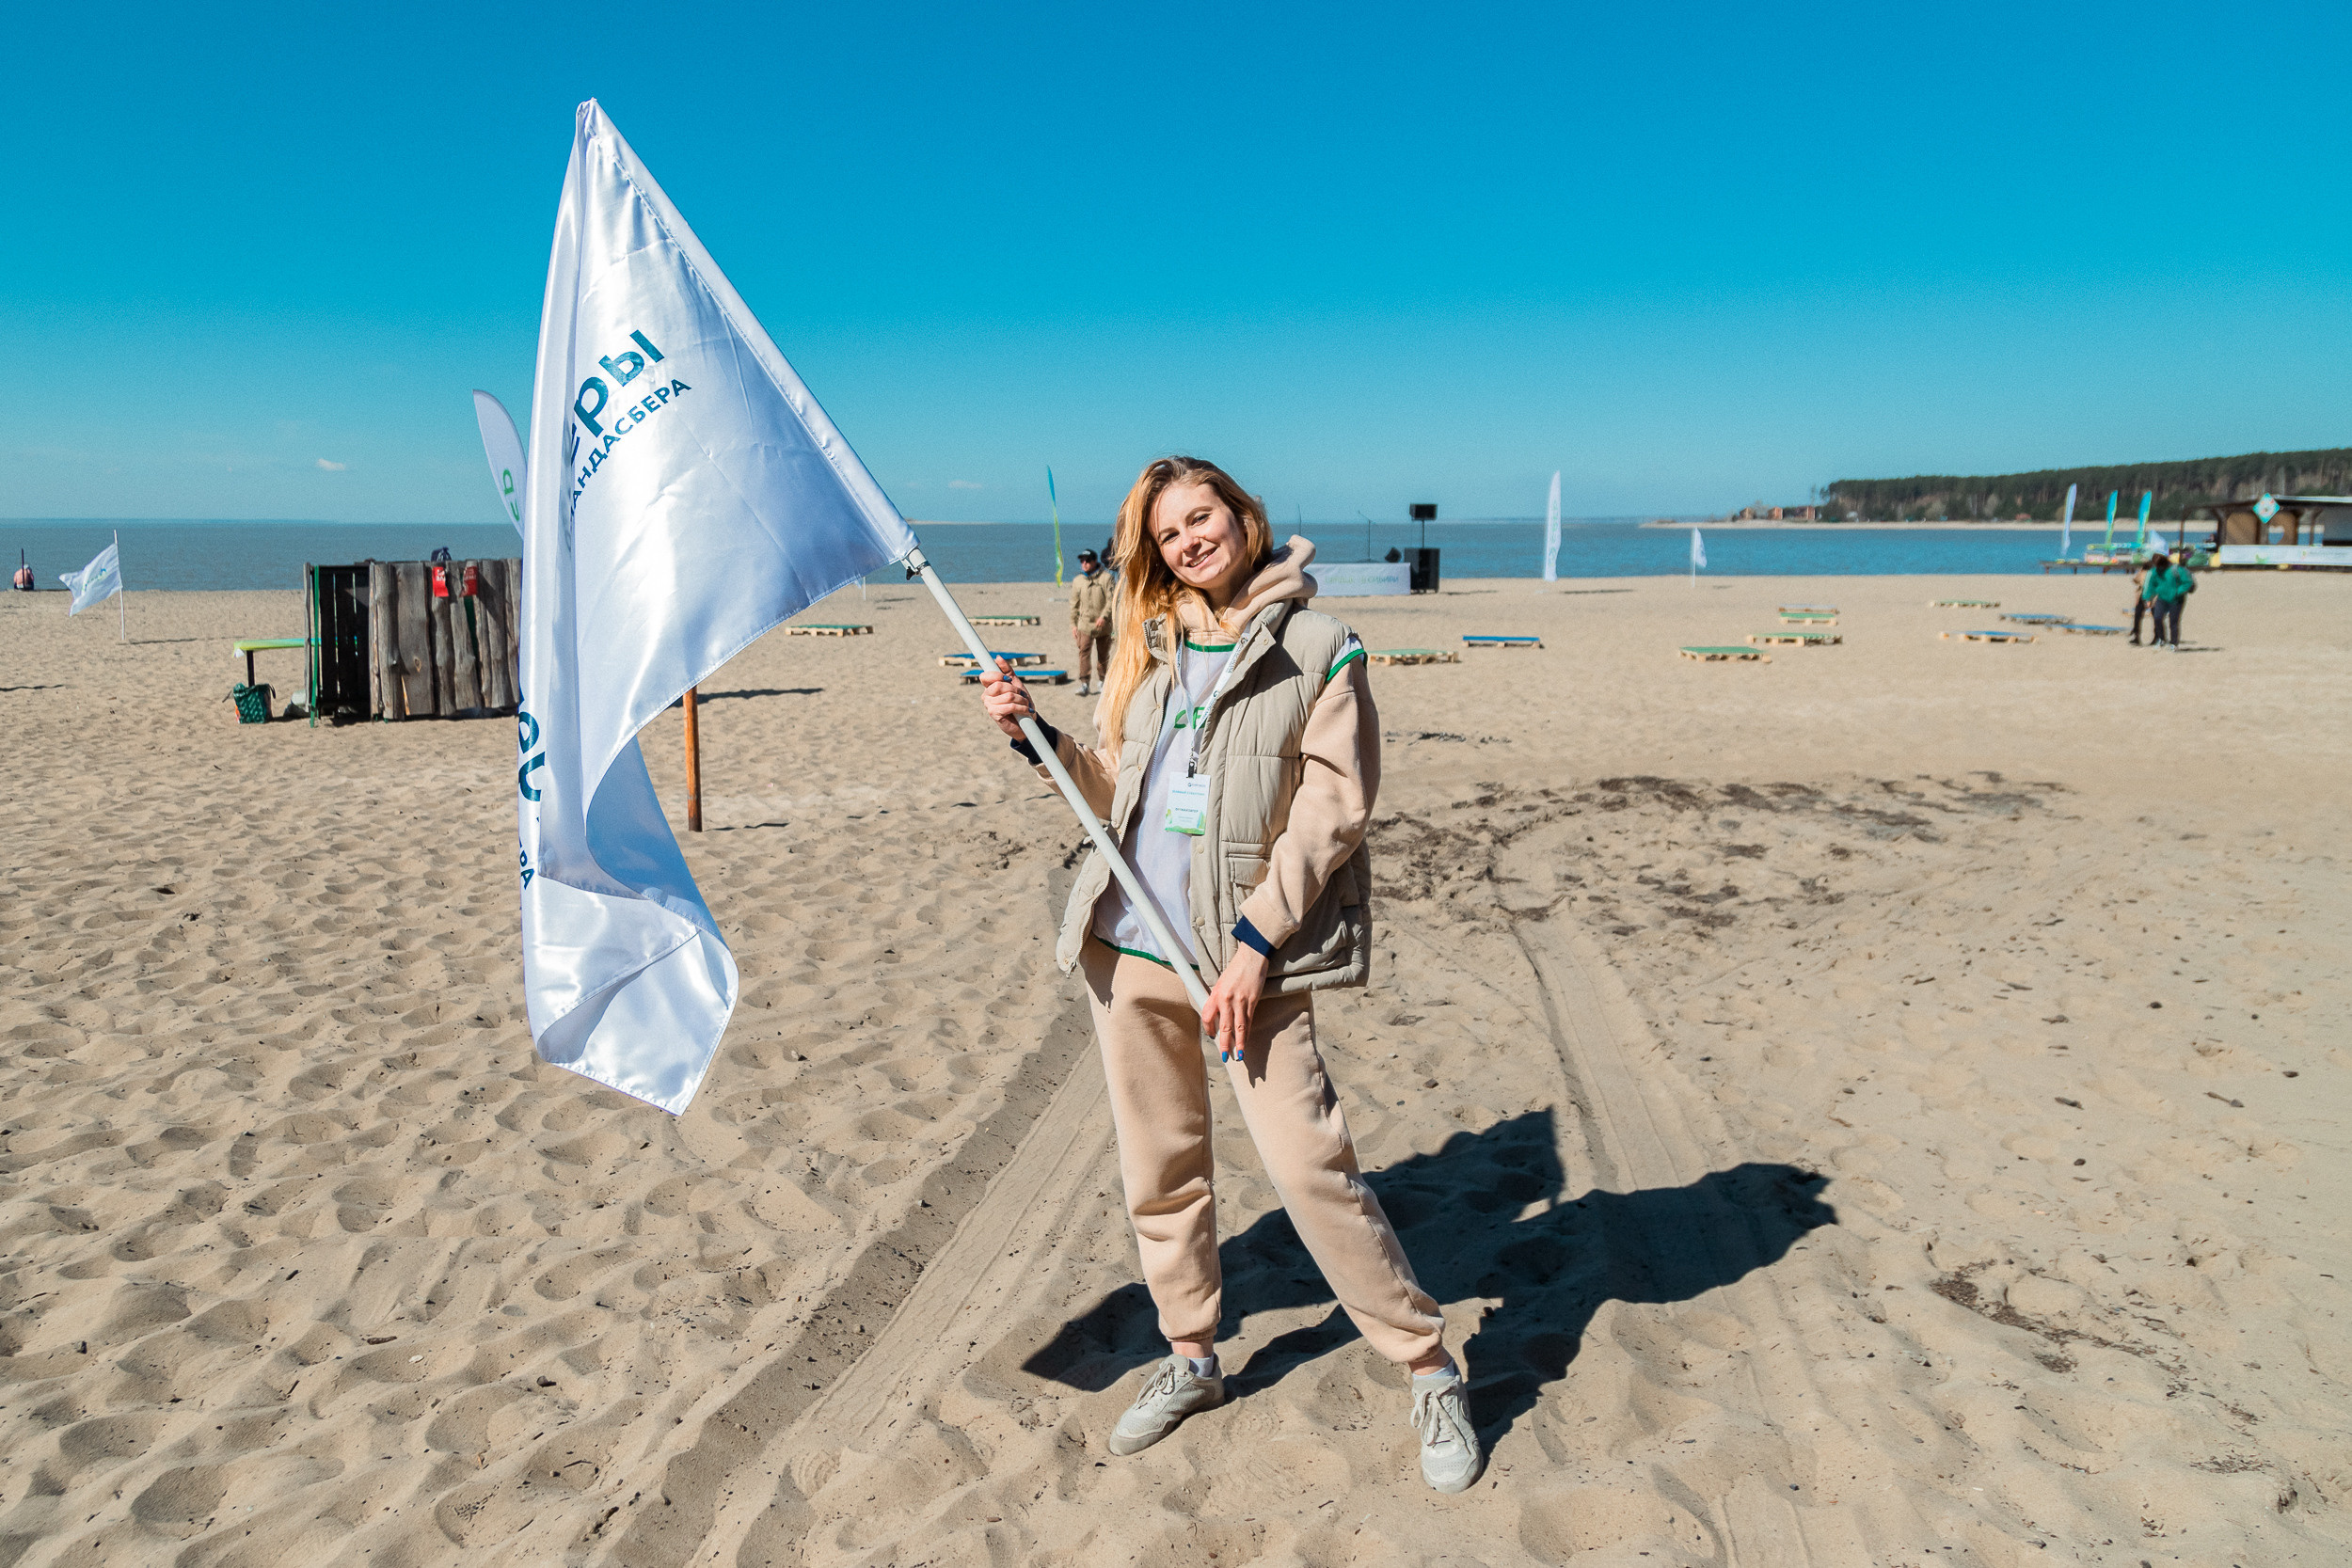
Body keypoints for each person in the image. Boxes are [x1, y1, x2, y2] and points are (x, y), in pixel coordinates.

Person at [977, 455, 1482, 1494]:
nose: (1189, 541)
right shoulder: (1152, 644)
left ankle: (1429, 1364)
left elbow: (1333, 811)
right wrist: (1038, 737)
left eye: (1200, 517)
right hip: (1130, 947)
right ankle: (1193, 1356)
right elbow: (1116, 792)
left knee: (1310, 1169)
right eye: (1168, 534)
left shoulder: (1320, 645)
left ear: (1244, 516)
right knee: (1161, 1171)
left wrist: (1255, 946)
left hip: (1246, 961)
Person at [1069, 548, 1113, 696]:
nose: (1084, 563)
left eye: (1087, 561)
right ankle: (1084, 684)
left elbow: (1111, 600)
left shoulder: (1106, 578)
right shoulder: (1078, 581)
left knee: (1103, 655)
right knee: (1084, 653)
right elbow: (1074, 604)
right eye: (1082, 561)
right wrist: (1073, 624)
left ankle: (1103, 681)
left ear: (1094, 561)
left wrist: (1104, 616)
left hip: (1103, 626)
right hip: (1084, 625)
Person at [2146, 551, 2196, 648]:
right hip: (2162, 598)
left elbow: (2187, 583)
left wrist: (2178, 591)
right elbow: (2151, 585)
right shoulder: (2155, 571)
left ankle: (2174, 643)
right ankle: (2161, 639)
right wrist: (2148, 598)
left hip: (2177, 599)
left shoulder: (2176, 569)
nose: (2158, 567)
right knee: (2157, 618)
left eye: (2159, 565)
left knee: (2173, 621)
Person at [2127, 558, 2154, 644]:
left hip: (2146, 595)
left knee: (2138, 617)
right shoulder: (2152, 573)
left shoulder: (2145, 573)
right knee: (2155, 617)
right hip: (2149, 596)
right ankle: (2157, 637)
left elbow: (2135, 580)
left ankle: (2137, 637)